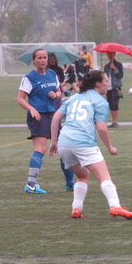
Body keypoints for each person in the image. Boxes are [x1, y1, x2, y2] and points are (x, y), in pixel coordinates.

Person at [49, 70, 132, 220]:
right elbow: (101, 128)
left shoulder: (73, 98)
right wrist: (110, 147)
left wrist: (54, 142)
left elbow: (55, 118)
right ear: (97, 84)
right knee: (104, 176)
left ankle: (76, 208)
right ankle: (115, 206)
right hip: (83, 143)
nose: (108, 84)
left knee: (82, 175)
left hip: (64, 143)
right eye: (106, 81)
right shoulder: (100, 101)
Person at [16, 48, 63, 194]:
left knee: (63, 148)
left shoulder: (52, 74)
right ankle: (31, 185)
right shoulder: (29, 77)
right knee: (41, 149)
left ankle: (70, 184)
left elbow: (59, 91)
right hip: (38, 116)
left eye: (45, 57)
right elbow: (20, 99)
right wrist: (31, 109)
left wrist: (56, 94)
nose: (43, 60)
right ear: (34, 60)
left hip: (53, 115)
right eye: (40, 58)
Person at [47, 53, 76, 189]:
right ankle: (32, 182)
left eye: (53, 59)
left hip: (56, 106)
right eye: (50, 59)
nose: (51, 61)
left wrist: (63, 91)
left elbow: (60, 87)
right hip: (43, 111)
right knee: (41, 149)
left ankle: (69, 181)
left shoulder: (57, 71)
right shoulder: (40, 74)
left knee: (62, 147)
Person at [104, 51, 123, 128]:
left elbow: (120, 76)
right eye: (108, 54)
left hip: (115, 88)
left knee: (115, 105)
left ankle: (115, 122)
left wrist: (115, 69)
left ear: (114, 54)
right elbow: (104, 76)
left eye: (111, 54)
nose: (109, 55)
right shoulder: (106, 66)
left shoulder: (118, 65)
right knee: (110, 105)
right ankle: (113, 122)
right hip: (108, 88)